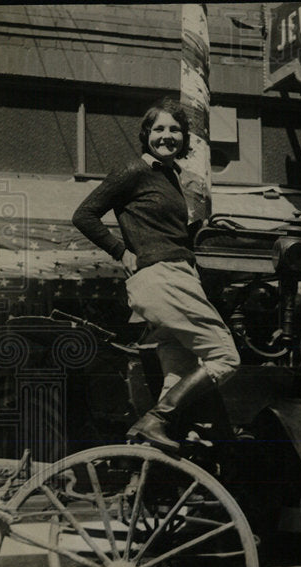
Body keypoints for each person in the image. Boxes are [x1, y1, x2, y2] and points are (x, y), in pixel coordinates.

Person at [73, 97, 239, 453]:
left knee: (178, 373)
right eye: (159, 129)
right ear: (147, 134)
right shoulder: (134, 170)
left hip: (179, 278)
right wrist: (121, 252)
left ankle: (157, 462)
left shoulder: (175, 179)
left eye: (175, 129)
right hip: (163, 278)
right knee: (225, 357)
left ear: (184, 137)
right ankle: (157, 421)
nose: (167, 136)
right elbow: (84, 215)